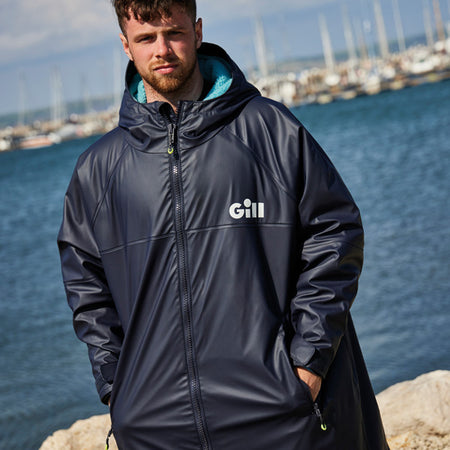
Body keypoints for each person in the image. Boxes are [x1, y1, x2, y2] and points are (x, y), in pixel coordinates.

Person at [58, 1, 389, 448]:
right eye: (146, 38)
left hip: (280, 415)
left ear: (197, 32)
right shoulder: (99, 169)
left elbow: (335, 235)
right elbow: (87, 290)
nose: (162, 50)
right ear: (126, 45)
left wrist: (306, 365)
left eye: (174, 33)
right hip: (160, 429)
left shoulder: (269, 130)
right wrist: (121, 392)